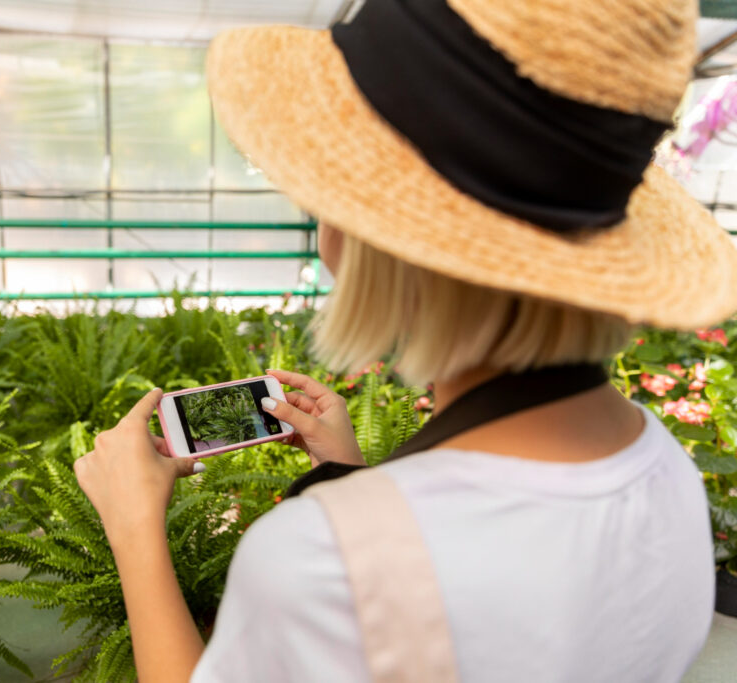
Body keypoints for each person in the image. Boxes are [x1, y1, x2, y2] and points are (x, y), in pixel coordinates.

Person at [72, 0, 737, 680]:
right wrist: (349, 475)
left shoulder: (323, 559)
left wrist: (134, 525)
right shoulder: (672, 475)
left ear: (376, 236)